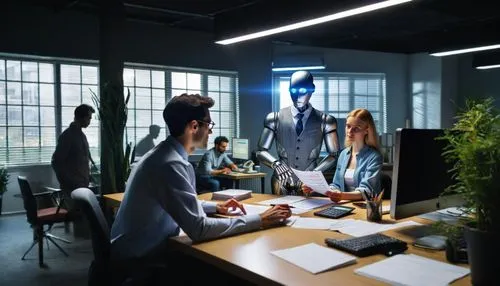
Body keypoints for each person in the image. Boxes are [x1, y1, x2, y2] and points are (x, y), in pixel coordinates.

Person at [110, 93, 291, 273]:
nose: (211, 131)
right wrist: (260, 219)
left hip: (135, 250)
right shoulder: (171, 164)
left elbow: (177, 200)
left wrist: (215, 207)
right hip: (140, 262)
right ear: (194, 126)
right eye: (209, 124)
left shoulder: (162, 155)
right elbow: (200, 229)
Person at [256, 70, 340, 195]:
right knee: (280, 212)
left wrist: (314, 174)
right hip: (281, 180)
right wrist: (276, 164)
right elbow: (260, 151)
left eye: (302, 91)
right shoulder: (274, 118)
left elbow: (334, 154)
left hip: (310, 184)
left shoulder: (326, 121)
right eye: (293, 91)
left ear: (312, 89)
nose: (297, 96)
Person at [303, 108, 382, 202]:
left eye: (356, 128)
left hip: (363, 208)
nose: (350, 131)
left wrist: (341, 195)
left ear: (366, 130)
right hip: (344, 205)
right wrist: (315, 188)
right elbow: (336, 185)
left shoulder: (374, 157)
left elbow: (367, 191)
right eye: (348, 126)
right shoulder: (343, 154)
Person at [51, 103, 95, 210]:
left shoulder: (81, 135)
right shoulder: (68, 136)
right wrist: (68, 181)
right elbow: (56, 161)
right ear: (81, 117)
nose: (90, 121)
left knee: (83, 218)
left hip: (82, 183)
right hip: (73, 186)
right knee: (79, 219)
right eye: (89, 118)